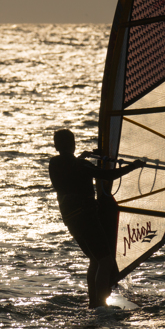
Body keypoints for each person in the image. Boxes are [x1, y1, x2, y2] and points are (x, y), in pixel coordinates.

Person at [48, 128, 144, 308]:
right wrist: (134, 166)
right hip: (86, 217)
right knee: (105, 261)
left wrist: (81, 159)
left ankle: (93, 301)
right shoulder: (82, 166)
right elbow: (108, 175)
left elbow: (70, 170)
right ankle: (100, 304)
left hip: (70, 220)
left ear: (56, 146)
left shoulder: (54, 163)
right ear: (73, 144)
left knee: (95, 259)